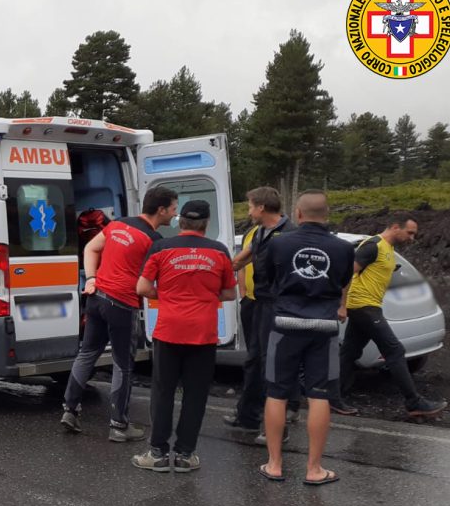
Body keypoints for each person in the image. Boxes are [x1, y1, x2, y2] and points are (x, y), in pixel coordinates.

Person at [60, 186, 178, 442]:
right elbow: (148, 285)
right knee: (122, 365)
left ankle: (70, 410)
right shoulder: (153, 240)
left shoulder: (117, 225)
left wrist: (91, 278)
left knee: (87, 353)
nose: (175, 213)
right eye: (173, 208)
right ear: (161, 210)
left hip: (97, 297)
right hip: (122, 305)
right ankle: (118, 425)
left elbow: (91, 248)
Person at [132, 200, 237, 473]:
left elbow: (142, 287)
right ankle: (185, 455)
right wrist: (204, 295)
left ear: (181, 221)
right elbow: (229, 293)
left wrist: (165, 295)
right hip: (203, 333)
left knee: (163, 392)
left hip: (168, 330)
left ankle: (157, 454)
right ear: (206, 222)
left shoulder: (161, 248)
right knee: (195, 395)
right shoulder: (219, 251)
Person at [260, 190, 354, 485]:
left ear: (298, 214)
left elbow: (265, 281)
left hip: (285, 323)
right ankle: (314, 469)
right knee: (318, 395)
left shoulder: (279, 244)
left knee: (276, 392)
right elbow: (341, 282)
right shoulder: (343, 248)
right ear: (327, 214)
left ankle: (274, 464)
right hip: (323, 327)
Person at [331, 213, 447, 417]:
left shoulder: (388, 249)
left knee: (349, 352)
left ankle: (333, 398)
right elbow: (346, 273)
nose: (412, 238)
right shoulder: (372, 246)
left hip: (369, 305)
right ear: (395, 227)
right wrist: (342, 305)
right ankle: (414, 403)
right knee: (394, 351)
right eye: (409, 233)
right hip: (362, 306)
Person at [225, 187, 299, 436]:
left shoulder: (291, 234)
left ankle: (278, 427)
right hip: (258, 305)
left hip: (279, 307)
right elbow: (242, 260)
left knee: (273, 364)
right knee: (254, 360)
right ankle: (248, 416)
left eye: (250, 206)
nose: (248, 211)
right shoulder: (259, 232)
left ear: (261, 208)